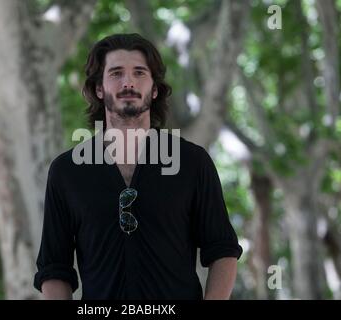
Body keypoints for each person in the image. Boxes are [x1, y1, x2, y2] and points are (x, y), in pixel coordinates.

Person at [33, 33, 242, 300]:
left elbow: (223, 251)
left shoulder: (193, 163)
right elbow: (54, 268)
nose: (128, 81)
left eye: (139, 73)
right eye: (116, 73)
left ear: (154, 89)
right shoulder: (67, 171)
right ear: (99, 88)